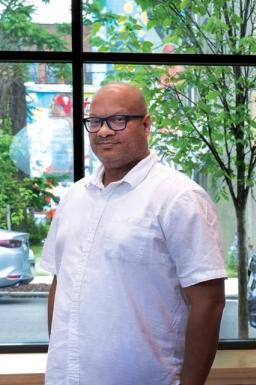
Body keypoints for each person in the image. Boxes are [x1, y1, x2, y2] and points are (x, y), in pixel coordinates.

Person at [41, 82, 227, 385]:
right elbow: (60, 284)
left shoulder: (178, 198)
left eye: (118, 120)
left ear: (146, 124)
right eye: (96, 121)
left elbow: (209, 302)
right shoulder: (74, 197)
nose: (104, 131)